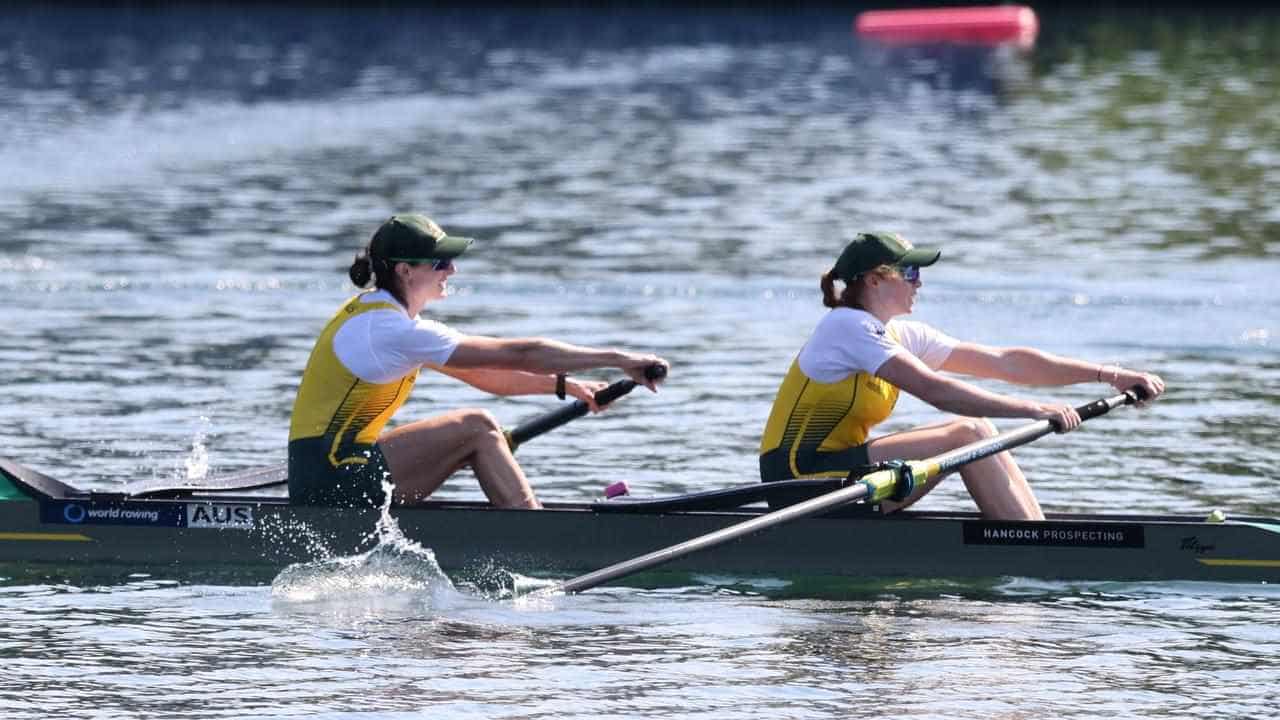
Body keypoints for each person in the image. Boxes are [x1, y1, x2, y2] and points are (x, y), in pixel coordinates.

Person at [758, 231, 1165, 521]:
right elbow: (935, 391)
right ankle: (1035, 548)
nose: (920, 283)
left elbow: (1006, 362)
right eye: (911, 273)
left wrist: (1110, 375)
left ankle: (1034, 533)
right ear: (875, 280)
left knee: (978, 430)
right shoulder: (846, 327)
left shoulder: (902, 334)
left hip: (844, 473)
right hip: (797, 481)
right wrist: (1034, 410)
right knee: (968, 434)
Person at [288, 214, 668, 509]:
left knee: (477, 430)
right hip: (334, 479)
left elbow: (487, 374)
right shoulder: (388, 330)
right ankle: (539, 538)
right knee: (478, 427)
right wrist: (620, 359)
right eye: (439, 262)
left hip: (333, 470)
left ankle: (522, 522)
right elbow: (521, 353)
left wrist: (566, 386)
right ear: (405, 270)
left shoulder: (385, 322)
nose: (451, 270)